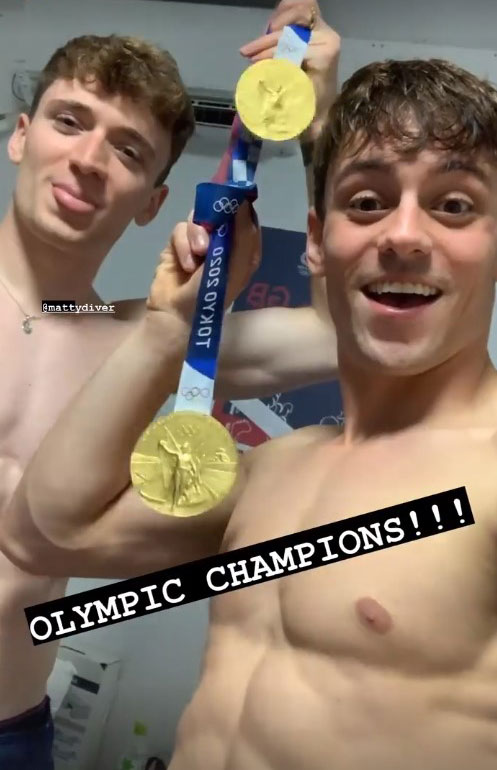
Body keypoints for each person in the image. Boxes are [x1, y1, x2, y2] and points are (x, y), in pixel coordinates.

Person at [10, 49, 497, 770]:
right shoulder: (271, 474)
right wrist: (168, 329)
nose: (401, 234)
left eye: (453, 204)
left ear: (153, 195)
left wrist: (312, 111)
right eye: (364, 203)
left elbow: (335, 326)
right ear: (316, 241)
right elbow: (47, 531)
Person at [0, 2, 340, 767]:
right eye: (68, 121)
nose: (89, 159)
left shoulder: (143, 341)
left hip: (12, 731)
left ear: (154, 200)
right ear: (22, 136)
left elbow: (335, 333)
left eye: (127, 150)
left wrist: (322, 122)